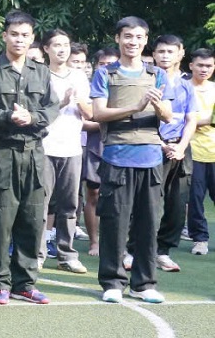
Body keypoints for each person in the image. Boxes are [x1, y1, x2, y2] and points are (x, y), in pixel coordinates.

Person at [0, 10, 59, 305]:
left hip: (35, 153)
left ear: (32, 38)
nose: (19, 39)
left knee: (33, 218)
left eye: (25, 35)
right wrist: (11, 116)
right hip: (4, 152)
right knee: (1, 218)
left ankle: (25, 283)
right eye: (14, 34)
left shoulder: (42, 71)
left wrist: (33, 117)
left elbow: (52, 108)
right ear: (4, 36)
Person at [91, 17, 172, 304]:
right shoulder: (105, 73)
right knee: (115, 222)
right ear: (118, 38)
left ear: (145, 40)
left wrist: (159, 106)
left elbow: (168, 116)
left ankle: (144, 283)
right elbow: (97, 113)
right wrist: (136, 106)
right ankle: (112, 282)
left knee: (149, 223)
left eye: (138, 37)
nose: (133, 42)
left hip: (150, 159)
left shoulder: (157, 74)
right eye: (127, 36)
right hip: (117, 157)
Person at [141, 35, 196, 270]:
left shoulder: (186, 85)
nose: (165, 56)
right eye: (160, 51)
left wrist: (181, 147)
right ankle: (137, 249)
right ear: (153, 54)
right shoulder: (146, 80)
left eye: (170, 52)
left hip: (181, 148)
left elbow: (191, 119)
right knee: (149, 202)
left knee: (177, 203)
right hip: (152, 146)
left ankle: (163, 251)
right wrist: (162, 144)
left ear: (181, 54)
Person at [40, 29, 91, 273]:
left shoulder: (80, 77)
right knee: (41, 203)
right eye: (57, 45)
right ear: (46, 49)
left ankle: (66, 254)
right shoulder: (39, 75)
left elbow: (90, 113)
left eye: (66, 44)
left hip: (72, 149)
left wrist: (78, 99)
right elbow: (36, 114)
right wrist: (61, 102)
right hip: (45, 147)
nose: (62, 49)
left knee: (70, 204)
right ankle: (37, 253)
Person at [82, 47, 119, 256]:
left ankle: (115, 243)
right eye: (102, 64)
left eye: (110, 64)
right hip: (95, 148)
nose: (106, 68)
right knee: (93, 194)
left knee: (118, 197)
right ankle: (94, 242)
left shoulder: (124, 86)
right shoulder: (88, 88)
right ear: (96, 66)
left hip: (120, 147)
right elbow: (83, 122)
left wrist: (102, 118)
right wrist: (109, 119)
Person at [186, 49, 215, 255]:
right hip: (192, 152)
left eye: (208, 66)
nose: (204, 69)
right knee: (195, 199)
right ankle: (200, 239)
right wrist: (207, 120)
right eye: (200, 65)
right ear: (191, 66)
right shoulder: (183, 88)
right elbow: (182, 120)